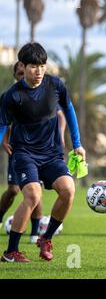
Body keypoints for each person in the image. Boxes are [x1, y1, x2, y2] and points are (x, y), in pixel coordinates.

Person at [0, 42, 85, 263]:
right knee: (33, 195)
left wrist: (77, 144)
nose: (38, 71)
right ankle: (11, 252)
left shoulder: (55, 85)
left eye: (42, 66)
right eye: (33, 67)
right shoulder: (12, 96)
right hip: (25, 153)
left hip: (52, 154)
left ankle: (45, 238)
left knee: (68, 190)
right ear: (22, 66)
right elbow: (2, 125)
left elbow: (69, 110)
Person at [0, 62, 67, 244]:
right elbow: (5, 122)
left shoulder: (48, 92)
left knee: (35, 192)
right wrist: (3, 141)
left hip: (46, 151)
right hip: (20, 149)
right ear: (16, 75)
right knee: (14, 190)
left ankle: (36, 233)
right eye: (20, 73)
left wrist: (60, 137)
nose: (25, 75)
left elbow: (62, 115)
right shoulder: (11, 96)